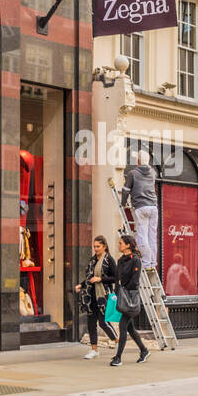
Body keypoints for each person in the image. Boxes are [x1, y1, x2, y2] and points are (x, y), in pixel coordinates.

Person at [109, 233, 150, 367]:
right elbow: (117, 279)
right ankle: (144, 350)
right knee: (130, 328)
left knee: (123, 327)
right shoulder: (120, 260)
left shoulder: (135, 260)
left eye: (120, 243)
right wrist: (116, 292)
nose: (118, 245)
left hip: (130, 298)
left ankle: (118, 357)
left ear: (127, 245)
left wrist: (124, 289)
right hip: (122, 297)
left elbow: (135, 280)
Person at [76, 235, 117, 360]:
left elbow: (116, 278)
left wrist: (101, 279)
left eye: (98, 246)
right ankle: (94, 350)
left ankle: (118, 340)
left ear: (104, 246)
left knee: (103, 322)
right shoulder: (92, 260)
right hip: (90, 295)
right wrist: (81, 285)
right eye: (94, 246)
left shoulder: (109, 260)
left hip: (103, 295)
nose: (96, 249)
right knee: (91, 323)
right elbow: (89, 277)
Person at [122, 150, 159, 269]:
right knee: (152, 236)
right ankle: (153, 262)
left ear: (138, 161)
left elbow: (126, 190)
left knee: (142, 236)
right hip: (153, 207)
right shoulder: (153, 172)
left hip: (141, 206)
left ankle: (147, 263)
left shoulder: (133, 173)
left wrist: (123, 203)